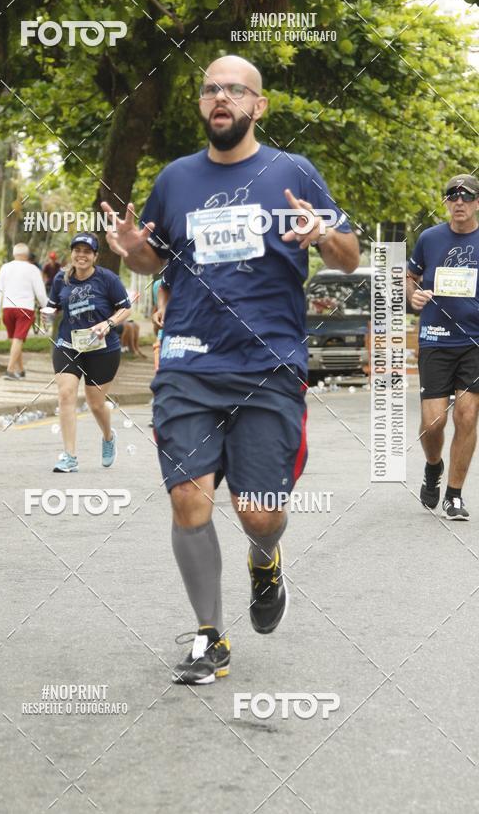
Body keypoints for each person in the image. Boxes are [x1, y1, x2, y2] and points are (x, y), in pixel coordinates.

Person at [104, 55, 359, 685]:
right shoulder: (175, 180)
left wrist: (322, 233)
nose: (222, 98)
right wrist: (133, 250)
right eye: (211, 89)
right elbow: (152, 260)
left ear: (258, 106)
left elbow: (350, 258)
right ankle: (209, 636)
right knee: (188, 498)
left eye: (236, 90)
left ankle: (265, 558)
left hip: (269, 364)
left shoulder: (293, 172)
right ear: (201, 104)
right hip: (188, 362)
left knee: (259, 512)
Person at [407, 173, 479, 521]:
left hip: (474, 342)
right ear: (447, 202)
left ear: (477, 202)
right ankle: (433, 465)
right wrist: (413, 296)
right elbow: (410, 277)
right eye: (453, 196)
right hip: (435, 337)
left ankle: (454, 495)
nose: (459, 202)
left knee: (467, 414)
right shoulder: (429, 238)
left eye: (466, 196)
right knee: (433, 421)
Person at [47, 232, 133, 473]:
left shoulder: (108, 279)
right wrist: (47, 314)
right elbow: (53, 306)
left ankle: (108, 436)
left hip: (102, 348)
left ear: (95, 256)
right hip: (68, 343)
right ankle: (69, 456)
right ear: (71, 253)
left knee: (95, 404)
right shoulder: (61, 279)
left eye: (87, 251)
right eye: (77, 250)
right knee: (66, 394)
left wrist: (108, 323)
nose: (81, 255)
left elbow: (125, 308)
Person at [0, 243, 48, 380]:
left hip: (8, 309)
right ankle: (10, 371)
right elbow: (40, 293)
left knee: (15, 340)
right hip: (25, 309)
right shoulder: (33, 269)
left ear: (14, 254)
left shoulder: (5, 267)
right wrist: (47, 308)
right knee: (18, 340)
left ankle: (21, 370)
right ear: (27, 255)